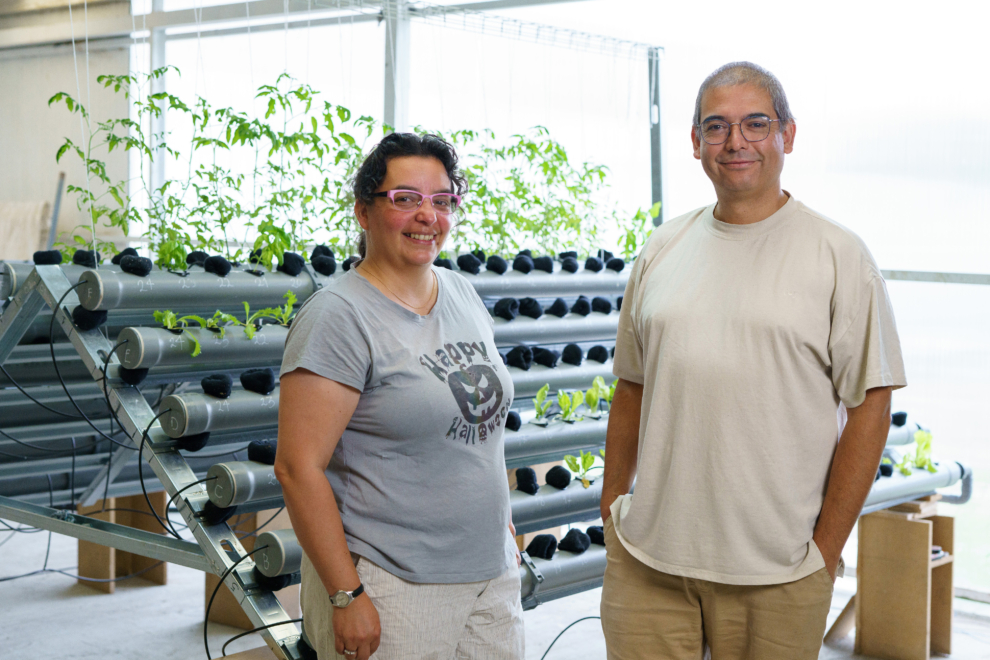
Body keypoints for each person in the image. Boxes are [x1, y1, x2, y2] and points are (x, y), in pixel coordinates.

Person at [599, 62, 907, 660]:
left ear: (788, 135)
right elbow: (631, 387)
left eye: (755, 124)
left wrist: (823, 550)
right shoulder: (662, 248)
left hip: (778, 570)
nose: (735, 141)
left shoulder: (838, 255)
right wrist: (614, 507)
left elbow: (871, 405)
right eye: (715, 127)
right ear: (694, 143)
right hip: (648, 561)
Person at [275, 132, 524, 660]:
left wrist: (500, 525)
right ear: (364, 212)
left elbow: (480, 425)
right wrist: (348, 595)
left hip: (490, 574)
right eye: (405, 199)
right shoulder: (339, 317)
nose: (426, 216)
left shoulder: (460, 291)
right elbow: (297, 468)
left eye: (441, 201)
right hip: (394, 583)